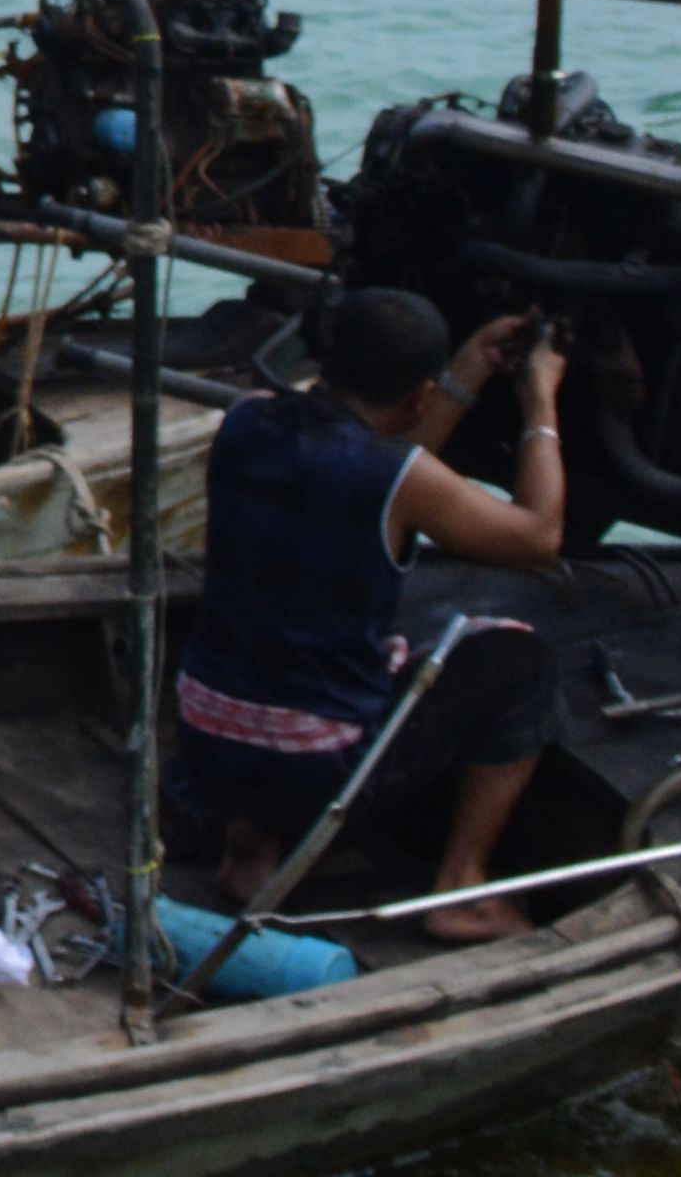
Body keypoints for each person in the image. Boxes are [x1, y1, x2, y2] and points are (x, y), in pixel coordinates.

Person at [168, 287, 569, 940]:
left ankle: (251, 853)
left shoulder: (247, 420)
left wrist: (466, 367)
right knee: (520, 660)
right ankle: (460, 886)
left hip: (207, 745)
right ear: (418, 392)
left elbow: (397, 456)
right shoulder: (399, 477)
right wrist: (539, 401)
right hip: (312, 770)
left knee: (301, 640)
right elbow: (539, 538)